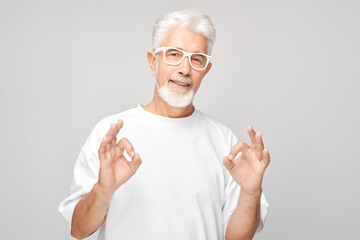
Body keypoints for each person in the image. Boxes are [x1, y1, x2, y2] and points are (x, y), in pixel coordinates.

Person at [59, 9, 270, 240]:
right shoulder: (110, 136)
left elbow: (237, 238)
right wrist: (103, 189)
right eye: (173, 54)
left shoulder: (225, 143)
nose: (185, 69)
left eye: (196, 59)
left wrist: (251, 192)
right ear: (153, 62)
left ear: (205, 71)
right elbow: (78, 230)